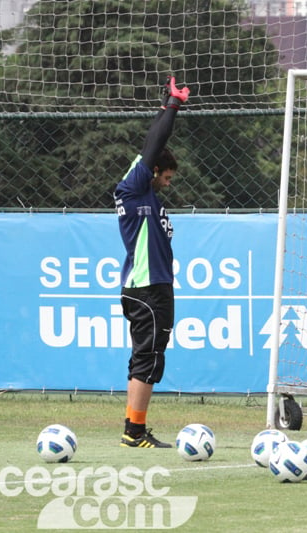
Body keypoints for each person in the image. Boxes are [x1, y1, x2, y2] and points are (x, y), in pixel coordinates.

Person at [114, 76, 190, 448]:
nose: (169, 183)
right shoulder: (132, 189)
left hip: (147, 288)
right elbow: (154, 145)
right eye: (167, 177)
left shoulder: (147, 197)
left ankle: (134, 426)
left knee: (142, 357)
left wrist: (165, 105)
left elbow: (152, 143)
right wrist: (174, 107)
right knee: (149, 359)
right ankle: (135, 432)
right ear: (151, 173)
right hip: (148, 289)